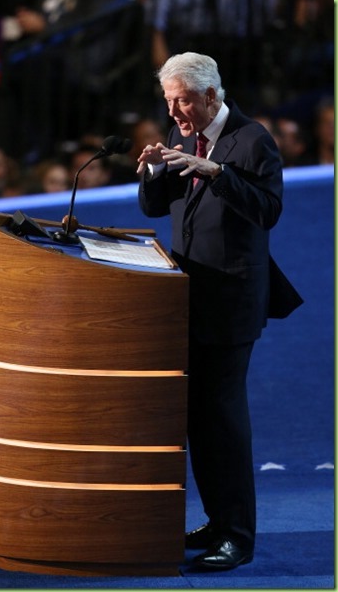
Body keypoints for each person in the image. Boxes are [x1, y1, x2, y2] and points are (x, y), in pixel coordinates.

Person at [137, 52, 303, 571]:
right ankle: (217, 520)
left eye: (183, 100)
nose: (174, 112)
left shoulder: (253, 141)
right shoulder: (182, 134)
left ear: (211, 95)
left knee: (224, 420)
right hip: (188, 299)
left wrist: (218, 173)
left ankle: (237, 536)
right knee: (200, 417)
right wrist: (154, 171)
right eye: (169, 101)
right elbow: (155, 207)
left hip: (231, 302)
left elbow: (268, 211)